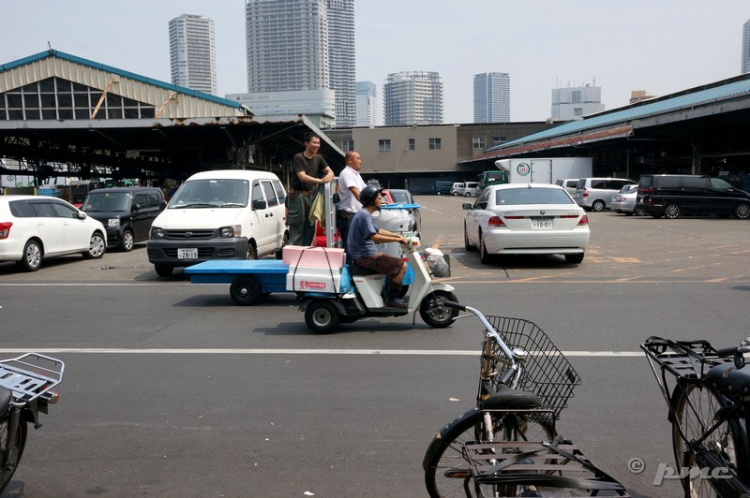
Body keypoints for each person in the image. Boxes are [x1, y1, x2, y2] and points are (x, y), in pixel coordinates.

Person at [347, 185, 409, 308]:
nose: (382, 201)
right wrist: (397, 240)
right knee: (402, 265)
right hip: (367, 257)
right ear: (371, 200)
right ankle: (391, 299)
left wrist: (398, 237)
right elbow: (374, 236)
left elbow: (379, 230)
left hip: (366, 255)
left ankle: (386, 294)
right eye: (379, 198)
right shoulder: (364, 215)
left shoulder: (364, 214)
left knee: (392, 262)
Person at [288, 132, 334, 246]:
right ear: (306, 143)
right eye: (314, 142)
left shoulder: (319, 158)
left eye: (318, 143)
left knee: (310, 228)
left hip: (312, 196)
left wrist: (329, 176)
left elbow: (330, 171)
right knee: (297, 229)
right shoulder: (298, 157)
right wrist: (321, 181)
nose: (316, 145)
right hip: (298, 196)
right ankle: (294, 258)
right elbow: (302, 177)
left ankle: (305, 256)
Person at [336, 150, 367, 253]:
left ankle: (354, 266)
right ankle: (349, 267)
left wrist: (378, 198)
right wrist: (368, 203)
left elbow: (365, 190)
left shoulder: (357, 175)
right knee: (350, 245)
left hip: (356, 214)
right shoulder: (346, 173)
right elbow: (354, 190)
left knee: (356, 244)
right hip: (348, 216)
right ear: (350, 160)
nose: (361, 161)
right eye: (358, 158)